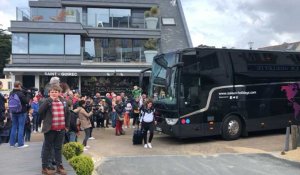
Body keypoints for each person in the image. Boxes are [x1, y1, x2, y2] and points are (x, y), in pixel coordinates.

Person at [39, 84, 70, 175]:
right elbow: (40, 111)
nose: (54, 93)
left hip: (61, 129)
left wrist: (67, 126)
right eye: (52, 92)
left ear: (59, 93)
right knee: (47, 148)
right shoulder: (47, 101)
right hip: (50, 129)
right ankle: (44, 167)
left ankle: (59, 166)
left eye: (56, 92)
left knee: (58, 148)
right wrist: (49, 100)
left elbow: (68, 114)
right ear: (49, 93)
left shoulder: (63, 101)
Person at [9, 81, 30, 148]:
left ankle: (12, 143)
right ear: (19, 85)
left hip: (13, 111)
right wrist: (28, 94)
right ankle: (20, 144)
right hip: (21, 112)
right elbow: (26, 101)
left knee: (14, 127)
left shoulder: (11, 93)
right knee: (21, 127)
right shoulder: (20, 94)